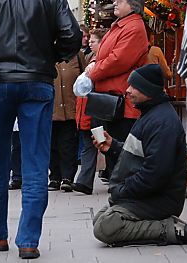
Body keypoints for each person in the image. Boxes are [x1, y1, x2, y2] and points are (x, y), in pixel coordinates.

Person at [0, 0, 82, 259]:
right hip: (37, 80)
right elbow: (72, 34)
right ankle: (28, 240)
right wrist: (51, 56)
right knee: (36, 162)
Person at [92, 64, 187, 247]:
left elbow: (155, 174)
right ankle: (159, 225)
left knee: (105, 227)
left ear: (148, 90)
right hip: (148, 194)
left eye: (134, 86)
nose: (128, 91)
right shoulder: (151, 114)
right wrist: (112, 147)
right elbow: (140, 157)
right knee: (101, 220)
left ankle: (171, 229)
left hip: (160, 199)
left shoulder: (162, 123)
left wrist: (123, 191)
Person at [86, 0, 148, 182]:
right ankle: (117, 190)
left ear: (132, 4)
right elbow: (105, 56)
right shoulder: (119, 26)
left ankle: (123, 194)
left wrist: (94, 72)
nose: (114, 2)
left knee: (121, 154)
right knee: (107, 146)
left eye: (120, 0)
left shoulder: (134, 27)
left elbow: (118, 60)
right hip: (108, 101)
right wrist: (93, 64)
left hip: (121, 102)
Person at [72, 28, 108, 195]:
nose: (90, 43)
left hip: (96, 112)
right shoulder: (90, 59)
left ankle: (88, 181)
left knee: (102, 144)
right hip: (89, 112)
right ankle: (84, 182)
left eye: (93, 41)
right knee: (92, 145)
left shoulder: (98, 61)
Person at [47, 52, 85, 192]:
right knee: (51, 145)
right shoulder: (46, 50)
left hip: (71, 109)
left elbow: (85, 77)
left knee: (68, 145)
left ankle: (67, 177)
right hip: (50, 108)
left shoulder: (77, 55)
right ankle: (54, 177)